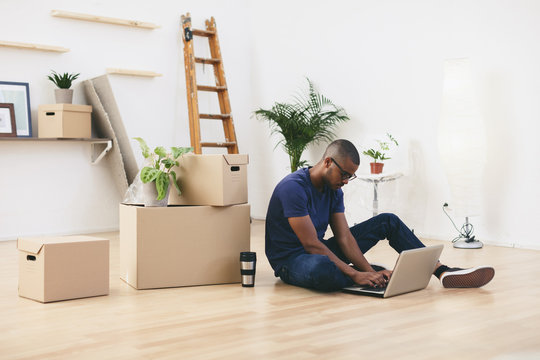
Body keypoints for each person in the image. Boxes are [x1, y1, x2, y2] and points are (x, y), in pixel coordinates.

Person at [265, 139, 495, 292]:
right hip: (291, 261)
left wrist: (363, 271)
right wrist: (357, 274)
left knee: (388, 220)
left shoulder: (334, 189)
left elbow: (344, 237)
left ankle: (441, 271)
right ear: (327, 162)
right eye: (344, 174)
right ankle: (373, 272)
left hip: (318, 252)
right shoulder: (293, 188)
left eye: (350, 177)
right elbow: (311, 244)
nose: (346, 181)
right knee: (322, 270)